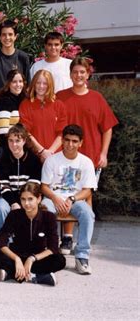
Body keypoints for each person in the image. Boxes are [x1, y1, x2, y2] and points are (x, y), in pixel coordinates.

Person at [56, 57, 118, 253]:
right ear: (70, 74)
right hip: (65, 157)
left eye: (82, 72)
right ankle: (66, 238)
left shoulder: (97, 98)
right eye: (75, 72)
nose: (79, 75)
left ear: (88, 74)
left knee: (86, 195)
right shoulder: (60, 97)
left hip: (90, 157)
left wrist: (103, 153)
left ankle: (84, 242)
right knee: (67, 193)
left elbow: (107, 128)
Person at [41, 125, 97, 275]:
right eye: (67, 140)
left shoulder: (86, 162)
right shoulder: (52, 161)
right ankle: (47, 252)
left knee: (88, 214)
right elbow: (44, 186)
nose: (70, 144)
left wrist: (72, 198)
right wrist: (55, 197)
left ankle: (82, 257)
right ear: (62, 141)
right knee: (44, 211)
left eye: (74, 141)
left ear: (80, 143)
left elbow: (87, 190)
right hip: (53, 198)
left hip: (75, 200)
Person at [0, 182, 66, 286]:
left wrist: (31, 259)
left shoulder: (49, 217)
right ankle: (37, 276)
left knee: (60, 260)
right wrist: (17, 259)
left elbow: (53, 247)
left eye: (30, 199)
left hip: (38, 258)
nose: (26, 203)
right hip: (17, 256)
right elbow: (1, 242)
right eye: (23, 199)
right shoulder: (14, 215)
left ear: (38, 199)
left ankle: (13, 273)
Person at [0, 124, 42, 228]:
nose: (14, 144)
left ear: (24, 141)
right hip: (9, 197)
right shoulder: (4, 160)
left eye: (17, 141)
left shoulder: (34, 160)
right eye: (11, 141)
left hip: (28, 197)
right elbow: (4, 186)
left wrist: (21, 202)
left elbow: (33, 187)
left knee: (30, 206)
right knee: (1, 207)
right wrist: (13, 203)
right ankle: (4, 240)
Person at [19, 69, 67, 163]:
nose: (41, 86)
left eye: (45, 83)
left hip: (56, 156)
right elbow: (25, 132)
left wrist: (50, 152)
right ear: (33, 84)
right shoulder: (25, 105)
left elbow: (62, 133)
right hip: (33, 156)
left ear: (50, 85)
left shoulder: (58, 105)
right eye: (38, 83)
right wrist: (42, 151)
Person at [0, 20, 31, 93]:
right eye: (4, 35)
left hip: (17, 101)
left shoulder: (23, 57)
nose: (7, 38)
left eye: (10, 34)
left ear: (15, 37)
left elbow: (27, 84)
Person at [0, 69, 27, 151]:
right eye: (14, 82)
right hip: (8, 148)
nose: (18, 84)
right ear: (8, 84)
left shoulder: (23, 99)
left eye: (20, 81)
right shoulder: (4, 101)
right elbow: (3, 132)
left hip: (20, 147)